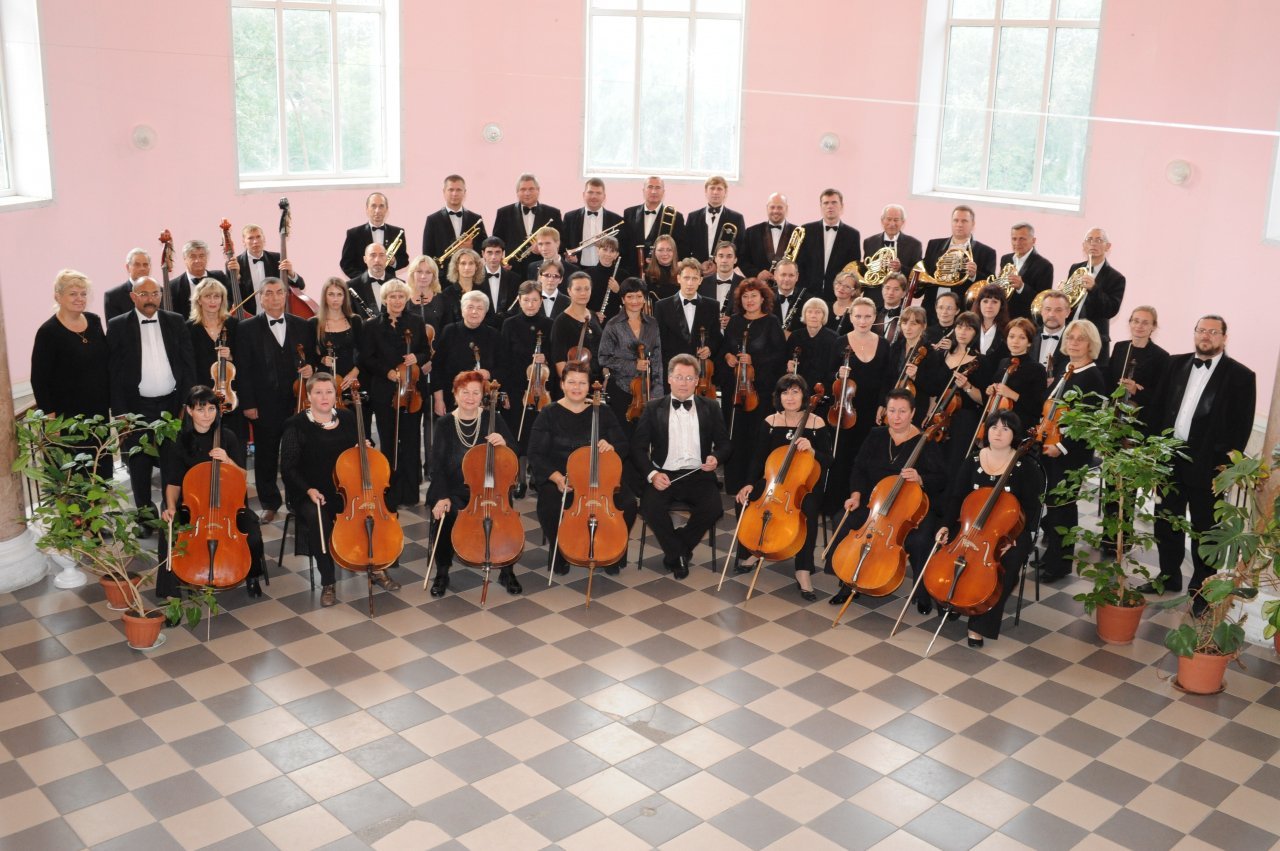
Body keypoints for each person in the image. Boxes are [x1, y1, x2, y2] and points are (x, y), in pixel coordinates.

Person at [1149, 316, 1256, 612]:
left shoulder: (1241, 376)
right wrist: (1154, 451)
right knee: (1166, 521)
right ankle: (1168, 576)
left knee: (1205, 530)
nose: (1206, 336)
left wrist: (1222, 469)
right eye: (1201, 330)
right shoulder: (1175, 363)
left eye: (1213, 332)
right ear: (1195, 333)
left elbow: (1241, 428)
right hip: (1169, 458)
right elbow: (1158, 408)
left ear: (1224, 337)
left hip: (1208, 466)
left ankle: (1202, 591)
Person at [826, 389, 945, 611]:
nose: (896, 417)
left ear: (913, 413)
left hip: (911, 509)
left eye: (902, 411)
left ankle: (922, 593)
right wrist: (856, 495)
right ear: (885, 412)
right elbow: (859, 468)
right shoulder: (876, 435)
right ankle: (848, 582)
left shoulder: (925, 442)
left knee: (920, 541)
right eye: (892, 411)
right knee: (843, 519)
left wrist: (920, 478)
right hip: (876, 502)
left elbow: (941, 479)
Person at [935, 410, 1045, 646]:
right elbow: (957, 497)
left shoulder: (1026, 466)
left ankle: (979, 624)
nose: (998, 433)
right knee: (944, 551)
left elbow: (1032, 508)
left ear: (1014, 434)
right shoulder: (974, 460)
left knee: (1008, 565)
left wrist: (1011, 538)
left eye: (1005, 429)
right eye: (994, 427)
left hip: (1010, 531)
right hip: (969, 525)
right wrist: (945, 525)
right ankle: (953, 600)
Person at [157, 385, 266, 601]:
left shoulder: (228, 437)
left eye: (211, 409)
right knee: (168, 530)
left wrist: (228, 460)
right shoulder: (178, 440)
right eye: (200, 409)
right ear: (189, 411)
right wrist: (170, 507)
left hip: (228, 506)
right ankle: (171, 593)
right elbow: (173, 483)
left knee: (252, 536)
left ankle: (252, 575)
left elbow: (242, 476)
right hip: (191, 507)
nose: (207, 415)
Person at [106, 276, 197, 531]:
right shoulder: (117, 325)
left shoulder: (175, 321)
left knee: (173, 462)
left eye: (155, 294)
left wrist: (187, 403)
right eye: (144, 294)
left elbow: (188, 365)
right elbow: (113, 373)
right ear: (133, 297)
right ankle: (145, 517)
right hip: (136, 409)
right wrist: (121, 413)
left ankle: (172, 513)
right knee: (139, 464)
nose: (150, 299)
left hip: (172, 404)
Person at [529, 362, 637, 577]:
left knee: (628, 504)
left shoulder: (602, 411)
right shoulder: (549, 412)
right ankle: (560, 549)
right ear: (562, 384)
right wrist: (556, 477)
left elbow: (623, 445)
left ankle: (611, 549)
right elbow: (535, 453)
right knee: (550, 505)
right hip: (563, 477)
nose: (576, 388)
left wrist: (611, 446)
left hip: (600, 478)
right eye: (571, 382)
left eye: (582, 383)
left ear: (589, 386)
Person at [734, 375, 832, 601]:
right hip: (774, 481)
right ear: (779, 397)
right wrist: (748, 483)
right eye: (785, 392)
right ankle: (755, 550)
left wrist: (813, 450)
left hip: (804, 484)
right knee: (745, 500)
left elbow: (829, 460)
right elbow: (758, 458)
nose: (790, 397)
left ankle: (803, 569)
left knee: (808, 510)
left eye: (795, 392)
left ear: (804, 396)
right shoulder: (771, 421)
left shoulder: (816, 423)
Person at [632, 354, 730, 579]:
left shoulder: (711, 407)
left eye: (689, 378)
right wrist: (652, 474)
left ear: (697, 381)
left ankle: (676, 553)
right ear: (669, 379)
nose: (683, 383)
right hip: (664, 474)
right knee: (650, 508)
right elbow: (637, 448)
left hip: (698, 473)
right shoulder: (653, 407)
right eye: (678, 377)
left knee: (713, 508)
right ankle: (679, 553)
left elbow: (725, 444)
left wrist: (716, 457)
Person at [426, 371, 520, 598]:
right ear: (455, 394)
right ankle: (442, 571)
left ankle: (507, 570)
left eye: (476, 393)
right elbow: (436, 466)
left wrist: (504, 443)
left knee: (504, 515)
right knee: (445, 513)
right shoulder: (445, 424)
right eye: (465, 392)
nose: (470, 397)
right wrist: (442, 496)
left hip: (491, 490)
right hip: (455, 490)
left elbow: (515, 452)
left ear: (482, 396)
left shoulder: (492, 418)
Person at [279, 373, 362, 607]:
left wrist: (365, 446)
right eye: (318, 392)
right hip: (309, 491)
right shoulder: (296, 425)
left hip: (344, 488)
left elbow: (362, 446)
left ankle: (373, 566)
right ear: (309, 396)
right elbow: (288, 468)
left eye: (329, 392)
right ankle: (328, 581)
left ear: (336, 395)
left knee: (368, 508)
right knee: (318, 518)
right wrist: (308, 490)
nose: (324, 397)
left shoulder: (347, 417)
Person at [1036, 319, 1110, 583]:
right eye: (1070, 337)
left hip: (1071, 453)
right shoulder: (1067, 369)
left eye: (1081, 339)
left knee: (1063, 508)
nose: (1074, 343)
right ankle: (1052, 556)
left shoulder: (1092, 376)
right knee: (1053, 506)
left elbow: (1088, 422)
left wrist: (1062, 446)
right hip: (1050, 445)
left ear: (1091, 344)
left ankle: (1061, 564)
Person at [236, 278, 315, 522]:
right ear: (260, 298)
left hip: (297, 403)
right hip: (263, 404)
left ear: (285, 296)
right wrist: (248, 404)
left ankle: (296, 500)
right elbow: (243, 370)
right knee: (266, 456)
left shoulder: (303, 325)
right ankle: (269, 503)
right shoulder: (246, 328)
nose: (274, 298)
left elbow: (313, 358)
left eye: (279, 292)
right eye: (268, 293)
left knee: (296, 455)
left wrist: (311, 368)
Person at [31, 270, 113, 479]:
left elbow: (105, 362)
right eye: (73, 294)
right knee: (73, 477)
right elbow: (39, 380)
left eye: (83, 294)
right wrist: (51, 422)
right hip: (66, 419)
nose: (80, 299)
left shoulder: (94, 321)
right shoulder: (48, 332)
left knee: (100, 472)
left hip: (97, 414)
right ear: (58, 297)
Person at [361, 279, 433, 508]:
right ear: (385, 299)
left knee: (411, 442)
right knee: (389, 442)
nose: (397, 300)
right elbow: (366, 358)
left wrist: (417, 358)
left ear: (406, 298)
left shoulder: (416, 321)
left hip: (412, 392)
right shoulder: (371, 326)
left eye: (401, 296)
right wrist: (388, 372)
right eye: (392, 296)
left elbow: (426, 352)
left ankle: (410, 494)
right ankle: (389, 494)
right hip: (384, 391)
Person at [719, 279, 786, 495]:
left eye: (754, 296)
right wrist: (728, 356)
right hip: (735, 389)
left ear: (763, 298)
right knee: (735, 434)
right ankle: (734, 483)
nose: (749, 300)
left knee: (757, 436)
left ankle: (755, 485)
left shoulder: (772, 322)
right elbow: (724, 347)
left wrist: (754, 359)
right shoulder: (734, 321)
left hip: (760, 391)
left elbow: (780, 356)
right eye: (745, 297)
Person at [500, 281, 554, 494]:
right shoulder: (509, 324)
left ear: (541, 301)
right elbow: (504, 359)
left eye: (534, 300)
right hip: (516, 388)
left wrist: (545, 358)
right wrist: (505, 391)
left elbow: (555, 355)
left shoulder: (549, 324)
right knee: (517, 434)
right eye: (526, 300)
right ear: (519, 301)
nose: (530, 304)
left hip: (541, 390)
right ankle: (519, 479)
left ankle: (538, 477)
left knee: (539, 435)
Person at [598, 277, 663, 436]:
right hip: (620, 389)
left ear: (644, 298)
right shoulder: (613, 325)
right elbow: (603, 358)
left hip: (647, 389)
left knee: (646, 436)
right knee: (623, 436)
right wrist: (633, 365)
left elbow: (657, 358)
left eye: (639, 296)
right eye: (630, 297)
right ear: (623, 299)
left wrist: (657, 393)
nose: (635, 301)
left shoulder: (652, 323)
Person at [186, 278, 247, 444]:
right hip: (201, 396)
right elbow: (188, 365)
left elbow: (246, 360)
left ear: (222, 299)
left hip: (230, 394)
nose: (213, 301)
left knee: (234, 441)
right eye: (207, 296)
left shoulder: (234, 325)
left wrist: (231, 357)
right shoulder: (189, 328)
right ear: (199, 300)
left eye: (217, 296)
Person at [920, 205, 997, 324]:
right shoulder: (934, 244)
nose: (959, 224)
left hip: (963, 311)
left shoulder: (986, 252)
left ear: (973, 224)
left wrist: (974, 275)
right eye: (956, 220)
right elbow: (926, 271)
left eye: (964, 221)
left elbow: (990, 283)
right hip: (931, 307)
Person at [431, 290, 500, 416]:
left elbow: (504, 367)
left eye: (479, 308)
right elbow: (437, 368)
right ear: (462, 310)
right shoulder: (449, 331)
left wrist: (489, 373)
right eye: (470, 307)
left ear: (485, 312)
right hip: (451, 399)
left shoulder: (493, 335)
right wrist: (438, 400)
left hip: (483, 401)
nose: (474, 312)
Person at [1065, 227, 1126, 370]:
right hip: (1070, 335)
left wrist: (1094, 289)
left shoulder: (1116, 277)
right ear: (1084, 245)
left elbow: (1111, 310)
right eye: (1089, 240)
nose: (1093, 244)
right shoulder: (1075, 268)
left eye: (1099, 240)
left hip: (1095, 339)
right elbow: (1070, 300)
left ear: (1107, 246)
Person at [1108, 306, 1170, 434]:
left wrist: (1136, 390)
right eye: (1135, 321)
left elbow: (1160, 395)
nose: (1139, 326)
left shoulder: (1161, 356)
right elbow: (1109, 378)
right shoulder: (1120, 347)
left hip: (1140, 420)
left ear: (1153, 327)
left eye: (1145, 323)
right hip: (1113, 414)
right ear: (1130, 323)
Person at [983, 317, 1047, 433]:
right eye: (1011, 336)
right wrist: (991, 390)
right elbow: (997, 392)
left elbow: (1038, 408)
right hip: (997, 422)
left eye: (1022, 337)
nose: (1015, 341)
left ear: (1029, 342)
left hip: (1020, 427)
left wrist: (1012, 394)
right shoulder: (1003, 362)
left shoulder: (1037, 369)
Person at [227, 222, 304, 316]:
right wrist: (236, 276)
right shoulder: (235, 263)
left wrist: (291, 273)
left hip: (276, 315)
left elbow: (301, 285)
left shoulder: (276, 258)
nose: (255, 241)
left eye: (258, 237)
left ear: (264, 239)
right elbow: (229, 296)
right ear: (243, 241)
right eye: (250, 238)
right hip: (249, 317)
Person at [797, 188, 861, 300]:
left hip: (837, 297)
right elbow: (799, 263)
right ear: (821, 206)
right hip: (807, 294)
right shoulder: (806, 230)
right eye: (826, 203)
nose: (830, 206)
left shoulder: (852, 235)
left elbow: (852, 269)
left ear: (842, 206)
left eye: (834, 202)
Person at [683, 176, 746, 272]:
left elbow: (741, 249)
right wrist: (698, 265)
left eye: (719, 189)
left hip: (724, 272)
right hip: (697, 271)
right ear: (706, 191)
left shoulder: (736, 218)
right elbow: (686, 247)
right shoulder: (693, 217)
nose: (715, 192)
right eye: (712, 188)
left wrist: (719, 265)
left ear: (725, 192)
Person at [550, 272, 604, 383]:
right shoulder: (561, 321)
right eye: (578, 289)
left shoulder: (593, 316)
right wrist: (574, 385)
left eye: (587, 289)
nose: (583, 293)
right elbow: (559, 361)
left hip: (597, 383)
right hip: (576, 384)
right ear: (569, 291)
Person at [340, 192, 409, 278]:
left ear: (387, 209)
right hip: (363, 284)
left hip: (389, 283)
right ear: (367, 209)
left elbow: (404, 260)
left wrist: (393, 261)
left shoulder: (398, 232)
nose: (377, 210)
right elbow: (346, 264)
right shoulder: (354, 234)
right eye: (373, 206)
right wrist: (362, 279)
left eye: (381, 206)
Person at [562, 177, 624, 273]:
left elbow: (621, 248)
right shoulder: (570, 217)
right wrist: (567, 256)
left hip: (605, 270)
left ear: (604, 196)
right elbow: (563, 243)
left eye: (598, 193)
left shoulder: (616, 220)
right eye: (590, 192)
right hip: (577, 269)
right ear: (584, 194)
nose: (594, 196)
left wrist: (605, 244)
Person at [862, 204, 923, 298]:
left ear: (903, 222)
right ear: (882, 220)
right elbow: (866, 270)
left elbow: (917, 275)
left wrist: (900, 268)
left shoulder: (914, 244)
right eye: (889, 219)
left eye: (896, 220)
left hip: (898, 298)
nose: (892, 223)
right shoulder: (869, 242)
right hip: (873, 296)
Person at [787, 298, 841, 405]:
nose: (813, 316)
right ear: (804, 314)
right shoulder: (795, 336)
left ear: (824, 315)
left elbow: (834, 369)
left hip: (823, 392)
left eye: (818, 312)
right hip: (798, 390)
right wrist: (788, 367)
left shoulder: (833, 338)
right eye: (810, 311)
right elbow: (785, 361)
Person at [421, 174, 488, 261]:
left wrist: (471, 247)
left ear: (464, 192)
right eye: (451, 190)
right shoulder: (432, 220)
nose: (454, 194)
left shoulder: (476, 219)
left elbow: (485, 249)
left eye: (458, 190)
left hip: (469, 268)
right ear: (444, 192)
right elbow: (427, 253)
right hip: (443, 269)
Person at [623, 175, 685, 267]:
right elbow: (625, 243)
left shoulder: (676, 217)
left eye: (658, 188)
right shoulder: (629, 213)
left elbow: (680, 247)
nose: (653, 191)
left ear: (663, 192)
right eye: (650, 187)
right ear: (643, 191)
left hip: (662, 271)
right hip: (632, 269)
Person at [492, 173, 562, 252]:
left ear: (538, 190)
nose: (527, 193)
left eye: (531, 189)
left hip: (543, 260)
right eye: (523, 189)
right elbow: (496, 243)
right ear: (517, 192)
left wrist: (543, 249)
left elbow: (561, 242)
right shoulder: (503, 213)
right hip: (513, 260)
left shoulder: (553, 213)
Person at [886, 306, 932, 425]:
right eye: (904, 323)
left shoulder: (930, 352)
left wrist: (916, 376)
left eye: (913, 324)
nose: (908, 328)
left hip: (916, 407)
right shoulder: (896, 347)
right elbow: (887, 378)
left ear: (924, 326)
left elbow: (934, 387)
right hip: (892, 404)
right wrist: (882, 404)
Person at [999, 222, 1052, 320]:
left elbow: (1042, 301)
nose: (1017, 243)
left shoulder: (1045, 266)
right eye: (1014, 239)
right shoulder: (1005, 259)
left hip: (1026, 320)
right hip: (1004, 317)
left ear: (1033, 240)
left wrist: (1022, 287)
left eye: (1022, 239)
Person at [740, 192, 798, 282]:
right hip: (759, 287)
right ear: (767, 208)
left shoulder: (797, 233)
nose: (775, 211)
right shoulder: (751, 232)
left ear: (786, 209)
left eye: (780, 207)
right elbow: (743, 260)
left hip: (788, 286)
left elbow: (804, 262)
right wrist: (757, 274)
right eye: (772, 207)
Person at [168, 240, 231, 321]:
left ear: (207, 257)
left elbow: (230, 302)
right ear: (185, 259)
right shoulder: (173, 286)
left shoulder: (220, 277)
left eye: (201, 256)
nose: (197, 260)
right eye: (193, 256)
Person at [346, 242, 397, 320]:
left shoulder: (400, 285)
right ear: (365, 259)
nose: (377, 260)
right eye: (373, 255)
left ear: (387, 258)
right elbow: (348, 318)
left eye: (381, 255)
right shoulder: (350, 286)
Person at [477, 237, 519, 329]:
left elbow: (515, 307)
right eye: (489, 252)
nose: (493, 257)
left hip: (506, 328)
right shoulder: (475, 278)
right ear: (483, 254)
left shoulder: (514, 278)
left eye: (497, 252)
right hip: (482, 328)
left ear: (503, 254)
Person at [1031, 290, 1071, 382]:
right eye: (1048, 309)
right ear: (1041, 311)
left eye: (1058, 310)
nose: (1052, 314)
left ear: (1068, 312)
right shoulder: (1029, 336)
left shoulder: (1075, 340)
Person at [103, 248, 153, 322]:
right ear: (127, 267)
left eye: (145, 265)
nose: (142, 268)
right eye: (137, 265)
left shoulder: (161, 293)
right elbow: (115, 327)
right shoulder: (113, 296)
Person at [406, 254, 451, 334]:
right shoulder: (403, 299)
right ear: (412, 274)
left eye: (428, 272)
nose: (423, 276)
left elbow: (448, 333)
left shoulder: (443, 300)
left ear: (434, 276)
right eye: (419, 272)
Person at [699, 240, 744, 319]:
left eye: (729, 256)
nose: (724, 260)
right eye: (721, 256)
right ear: (715, 259)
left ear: (735, 260)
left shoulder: (744, 284)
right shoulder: (702, 283)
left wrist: (733, 321)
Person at [585, 235, 624, 321]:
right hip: (592, 321)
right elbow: (580, 301)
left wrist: (618, 291)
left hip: (615, 322)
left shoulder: (623, 275)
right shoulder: (586, 275)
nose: (608, 254)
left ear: (616, 255)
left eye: (612, 251)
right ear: (598, 250)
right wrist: (593, 314)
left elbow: (629, 303)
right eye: (605, 250)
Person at [443, 247, 484, 319]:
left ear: (476, 267)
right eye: (463, 263)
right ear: (456, 267)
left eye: (471, 263)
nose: (467, 267)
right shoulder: (447, 293)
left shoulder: (482, 292)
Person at [974, 283, 1011, 363]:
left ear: (1001, 305)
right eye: (985, 301)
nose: (989, 306)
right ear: (979, 304)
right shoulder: (970, 327)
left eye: (994, 302)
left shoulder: (1008, 331)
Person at [772, 259, 808, 336]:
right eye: (783, 275)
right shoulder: (765, 297)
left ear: (797, 277)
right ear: (775, 275)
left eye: (791, 275)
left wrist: (792, 336)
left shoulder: (807, 300)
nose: (787, 279)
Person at [644, 234, 680, 301]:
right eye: (660, 250)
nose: (665, 254)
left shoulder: (682, 273)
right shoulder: (647, 275)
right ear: (654, 252)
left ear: (674, 252)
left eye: (669, 250)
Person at [875, 273, 908, 340]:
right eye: (887, 288)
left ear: (904, 294)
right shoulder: (873, 313)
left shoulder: (907, 317)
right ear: (882, 290)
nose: (890, 293)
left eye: (896, 289)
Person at [826, 271, 860, 335]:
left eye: (847, 286)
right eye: (839, 283)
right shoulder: (825, 307)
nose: (841, 288)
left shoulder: (857, 311)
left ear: (853, 292)